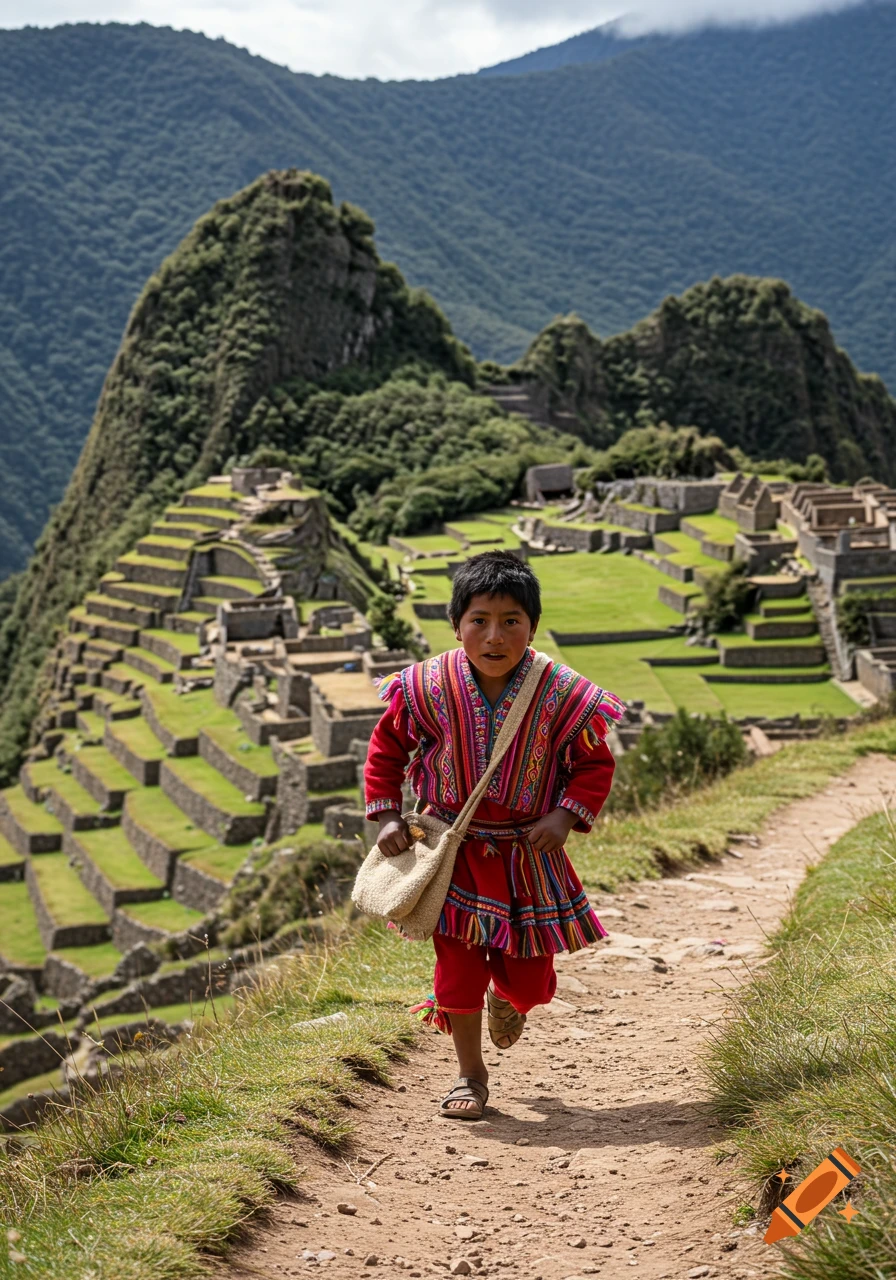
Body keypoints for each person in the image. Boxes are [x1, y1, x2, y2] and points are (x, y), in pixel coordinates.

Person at [363, 551, 623, 1120]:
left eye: (511, 621)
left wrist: (564, 815)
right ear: (458, 625)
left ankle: (509, 1000)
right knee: (456, 972)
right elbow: (386, 751)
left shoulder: (561, 693)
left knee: (530, 982)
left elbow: (593, 765)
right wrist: (386, 817)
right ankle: (469, 1076)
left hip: (526, 855)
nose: (494, 635)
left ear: (532, 626)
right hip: (451, 851)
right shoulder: (425, 687)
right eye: (479, 619)